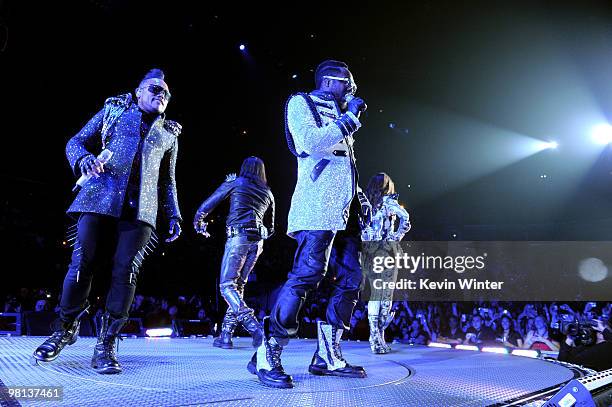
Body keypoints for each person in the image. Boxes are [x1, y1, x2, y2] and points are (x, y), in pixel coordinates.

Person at [33, 69, 183, 374]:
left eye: (166, 93)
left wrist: (174, 213)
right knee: (81, 263)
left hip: (142, 210)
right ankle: (65, 328)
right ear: (138, 91)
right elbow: (74, 142)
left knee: (125, 273)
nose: (161, 95)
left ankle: (107, 342)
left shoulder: (169, 134)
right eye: (155, 89)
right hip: (99, 197)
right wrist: (83, 160)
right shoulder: (114, 111)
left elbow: (168, 180)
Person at [248, 59, 370, 389]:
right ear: (332, 81)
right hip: (316, 208)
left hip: (345, 214)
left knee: (352, 280)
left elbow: (341, 165)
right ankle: (267, 351)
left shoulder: (342, 115)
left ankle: (327, 357)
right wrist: (348, 120)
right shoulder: (301, 102)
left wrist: (361, 198)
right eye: (348, 83)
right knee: (307, 275)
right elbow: (309, 144)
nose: (352, 90)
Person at [193, 157, 275, 349]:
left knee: (227, 286)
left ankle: (255, 328)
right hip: (257, 242)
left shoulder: (236, 183)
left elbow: (207, 205)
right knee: (237, 287)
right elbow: (270, 228)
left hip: (238, 238)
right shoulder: (268, 193)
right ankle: (226, 335)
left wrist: (198, 222)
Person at [361, 172, 410, 353]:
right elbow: (406, 219)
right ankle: (378, 338)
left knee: (375, 294)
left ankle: (376, 339)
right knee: (385, 296)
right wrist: (395, 237)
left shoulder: (365, 203)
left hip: (369, 253)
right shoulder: (389, 202)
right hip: (387, 253)